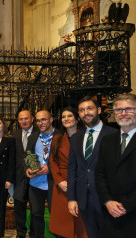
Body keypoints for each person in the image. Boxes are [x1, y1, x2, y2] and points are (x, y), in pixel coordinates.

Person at [67, 96, 116, 238]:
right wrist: (71, 198)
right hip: (84, 199)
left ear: (99, 110)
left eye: (90, 108)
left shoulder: (113, 134)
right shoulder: (76, 138)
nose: (86, 113)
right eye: (82, 110)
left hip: (107, 199)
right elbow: (72, 169)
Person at [95, 93, 136, 237]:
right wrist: (107, 201)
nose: (123, 113)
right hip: (111, 213)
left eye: (129, 109)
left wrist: (127, 205)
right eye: (119, 110)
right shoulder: (107, 140)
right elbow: (100, 173)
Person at [49, 107, 88, 238]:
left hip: (81, 182)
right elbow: (52, 162)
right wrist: (59, 181)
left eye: (70, 116)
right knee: (62, 222)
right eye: (64, 117)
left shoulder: (86, 137)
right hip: (62, 185)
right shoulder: (57, 139)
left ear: (77, 119)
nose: (66, 119)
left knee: (81, 222)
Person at [25, 110, 57, 238]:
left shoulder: (60, 136)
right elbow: (27, 156)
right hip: (35, 183)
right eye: (38, 120)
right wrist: (27, 168)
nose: (41, 123)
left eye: (44, 119)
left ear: (51, 119)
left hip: (53, 183)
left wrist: (49, 168)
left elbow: (65, 160)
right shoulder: (33, 137)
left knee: (55, 215)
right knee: (36, 215)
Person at [12, 110, 38, 238]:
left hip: (35, 176)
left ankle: (33, 233)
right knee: (19, 208)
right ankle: (20, 233)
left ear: (32, 119)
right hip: (19, 177)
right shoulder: (14, 135)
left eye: (26, 118)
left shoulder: (39, 134)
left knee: (35, 208)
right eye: (21, 119)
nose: (23, 121)